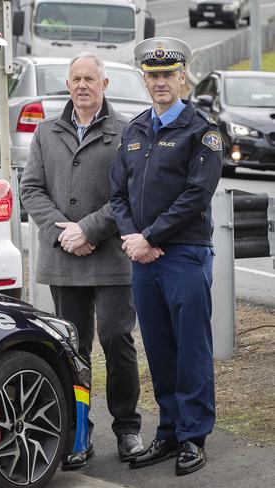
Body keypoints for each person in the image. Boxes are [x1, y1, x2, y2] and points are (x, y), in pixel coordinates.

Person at [21, 52, 143, 470]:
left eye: (90, 78)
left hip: (111, 257)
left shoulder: (126, 131)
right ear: (68, 84)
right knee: (74, 348)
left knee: (116, 339)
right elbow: (31, 190)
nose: (82, 86)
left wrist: (88, 230)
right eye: (75, 79)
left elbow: (129, 194)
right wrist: (64, 232)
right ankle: (78, 433)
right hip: (64, 259)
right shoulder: (45, 132)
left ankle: (127, 428)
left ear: (104, 84)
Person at [110, 37, 223, 476]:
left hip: (185, 255)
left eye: (168, 75)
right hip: (144, 258)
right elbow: (118, 193)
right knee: (158, 348)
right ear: (145, 80)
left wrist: (152, 236)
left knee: (191, 348)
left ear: (182, 77)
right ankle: (170, 431)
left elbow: (197, 195)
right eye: (153, 76)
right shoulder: (134, 130)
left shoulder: (202, 130)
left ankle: (194, 436)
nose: (160, 82)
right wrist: (134, 237)